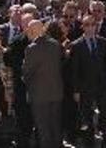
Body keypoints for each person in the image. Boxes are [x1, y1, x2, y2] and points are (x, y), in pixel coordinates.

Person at [69, 14, 106, 146]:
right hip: (85, 87)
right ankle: (89, 143)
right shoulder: (76, 45)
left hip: (102, 86)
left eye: (93, 24)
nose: (90, 27)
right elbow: (74, 71)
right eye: (87, 25)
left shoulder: (103, 42)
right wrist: (76, 90)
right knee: (86, 118)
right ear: (82, 27)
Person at [22, 18, 64, 148]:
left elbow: (26, 72)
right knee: (55, 126)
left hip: (39, 95)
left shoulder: (31, 48)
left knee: (43, 128)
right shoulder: (56, 44)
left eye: (29, 29)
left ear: (33, 31)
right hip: (56, 92)